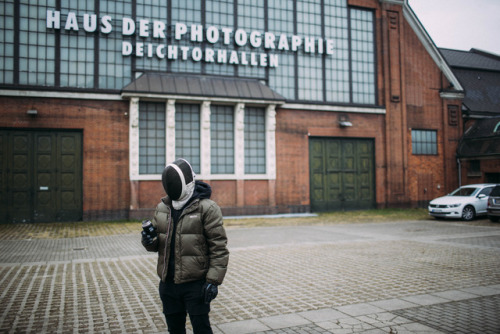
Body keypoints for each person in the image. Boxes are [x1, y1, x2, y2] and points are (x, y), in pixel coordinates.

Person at [141, 158, 229, 334]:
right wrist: (148, 240)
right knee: (175, 330)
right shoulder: (162, 208)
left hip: (196, 285)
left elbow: (218, 247)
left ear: (188, 182)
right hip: (168, 284)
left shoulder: (207, 208)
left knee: (201, 329)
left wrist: (213, 281)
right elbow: (156, 246)